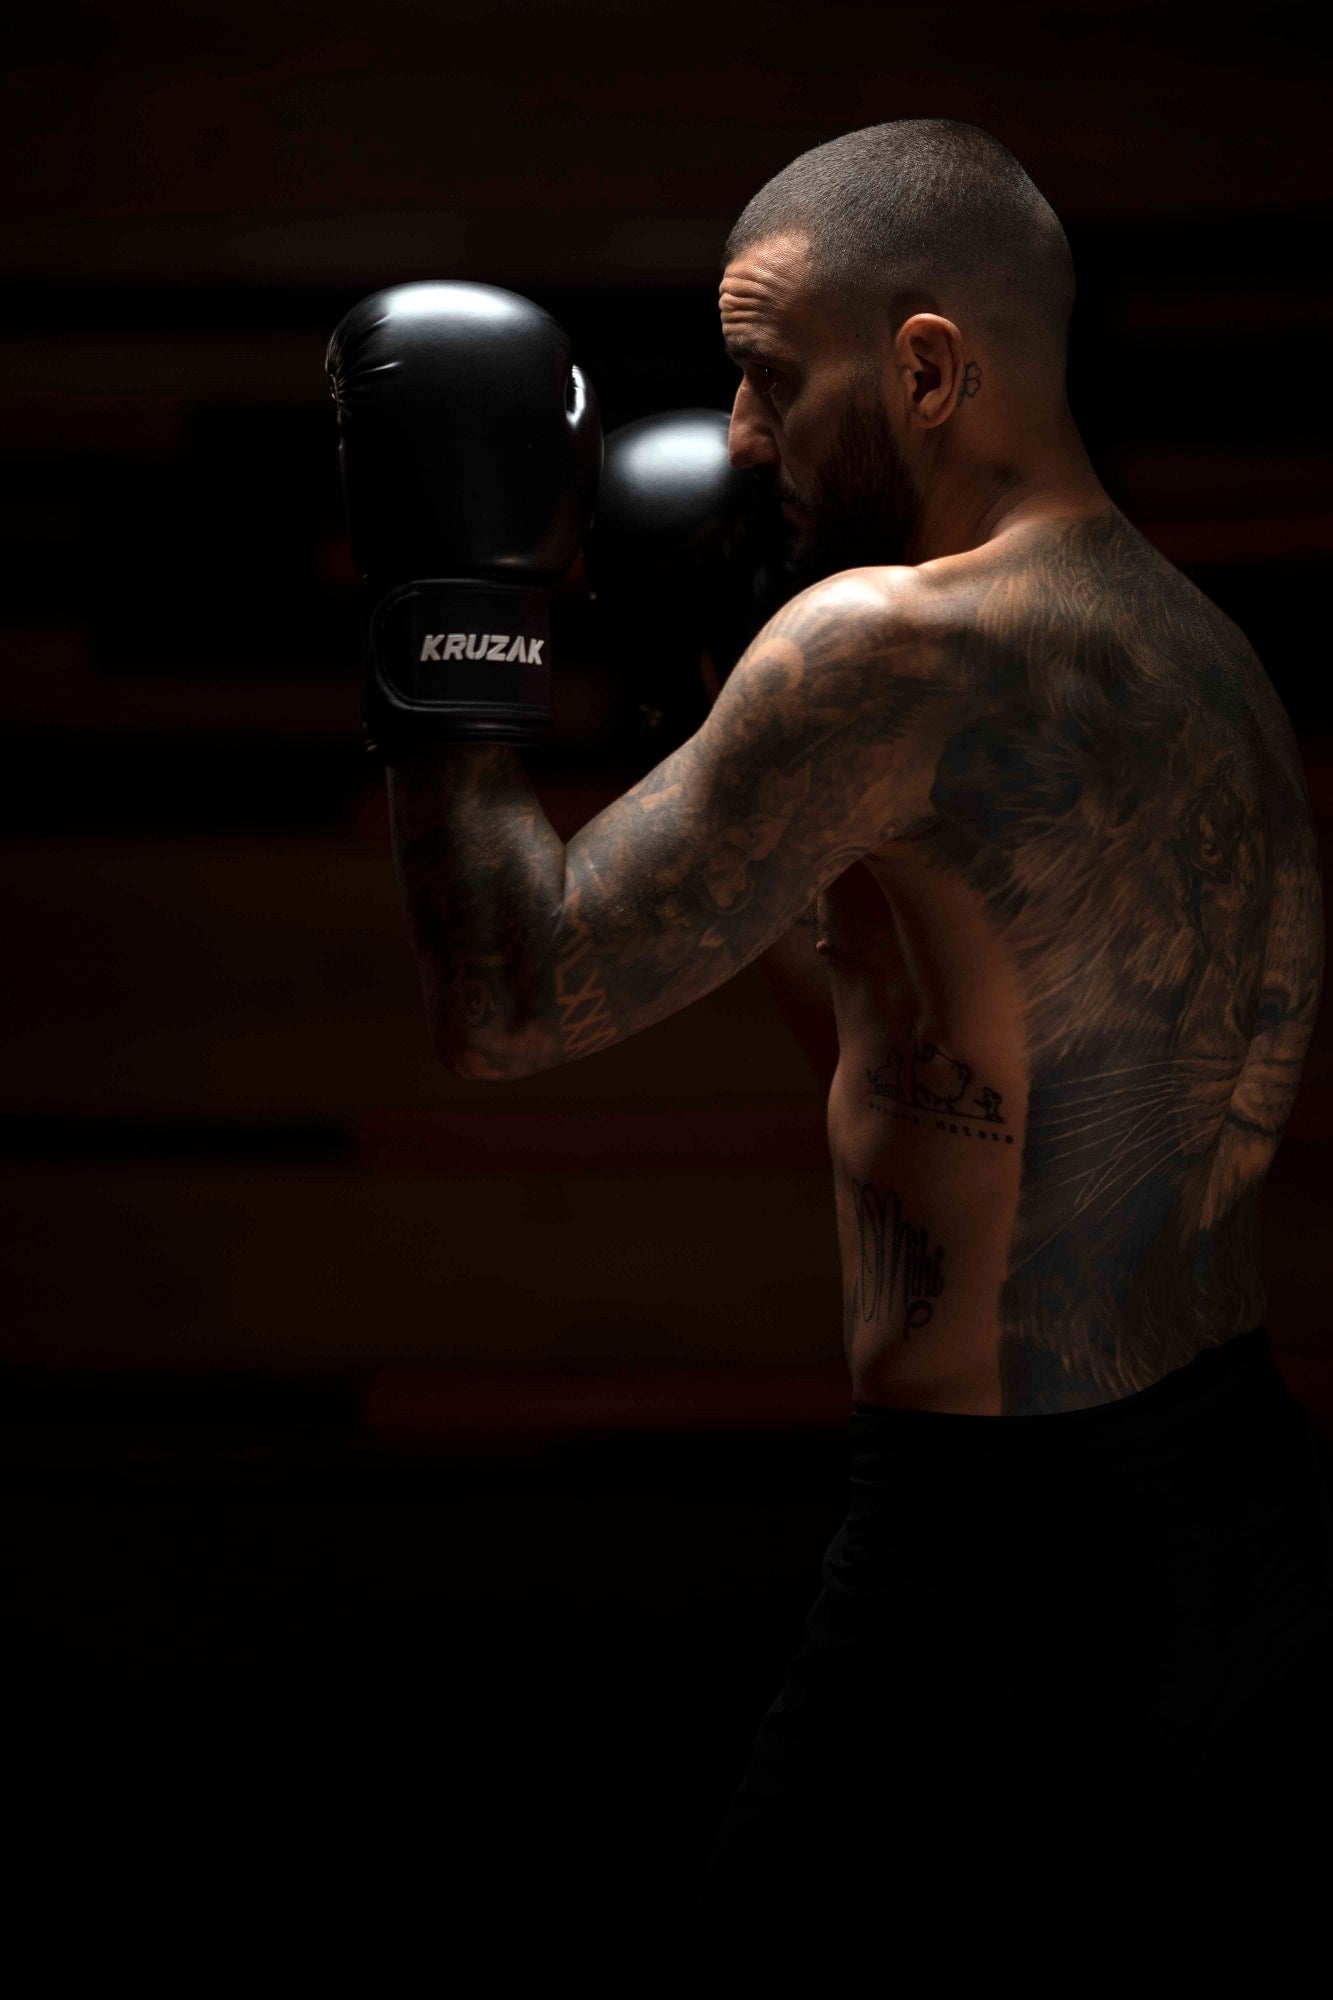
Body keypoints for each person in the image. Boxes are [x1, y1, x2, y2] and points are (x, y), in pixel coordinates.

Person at [327, 118, 1332, 1988]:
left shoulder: (878, 650)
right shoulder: (1191, 651)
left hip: (1004, 1555)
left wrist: (447, 617)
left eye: (773, 380)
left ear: (931, 369)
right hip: (1232, 1516)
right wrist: (715, 730)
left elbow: (509, 1000)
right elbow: (898, 1017)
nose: (734, 437)